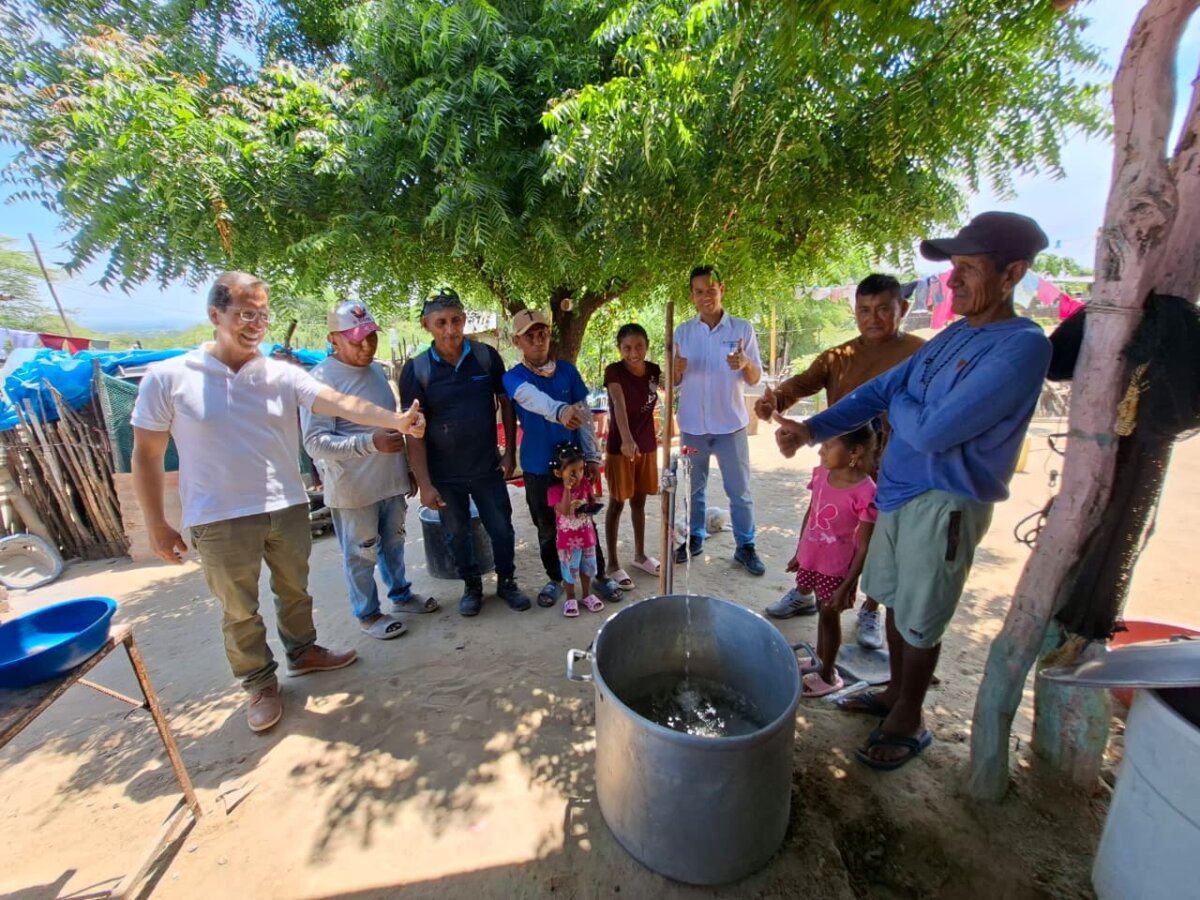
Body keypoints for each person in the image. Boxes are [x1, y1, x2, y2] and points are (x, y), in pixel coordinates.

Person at [773, 211, 1052, 770]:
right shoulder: (954, 336)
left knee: (922, 617)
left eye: (969, 269)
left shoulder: (1020, 346)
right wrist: (811, 429)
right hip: (898, 495)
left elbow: (929, 429)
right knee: (898, 604)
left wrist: (895, 399)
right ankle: (893, 692)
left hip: (944, 503)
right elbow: (880, 390)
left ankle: (910, 717)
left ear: (1011, 273)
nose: (952, 281)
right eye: (954, 269)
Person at [131, 272, 426, 733]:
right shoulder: (169, 378)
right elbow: (146, 455)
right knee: (239, 610)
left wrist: (395, 420)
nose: (257, 323)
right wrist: (157, 525)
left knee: (294, 591)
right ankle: (259, 683)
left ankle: (303, 652)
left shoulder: (281, 375)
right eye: (246, 312)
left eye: (263, 314)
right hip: (218, 516)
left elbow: (340, 403)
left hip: (285, 506)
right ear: (215, 315)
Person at [760, 273, 924, 649]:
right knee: (821, 524)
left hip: (892, 471)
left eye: (884, 309)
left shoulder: (919, 355)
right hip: (837, 464)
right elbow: (802, 383)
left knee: (878, 540)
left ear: (904, 309)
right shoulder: (839, 356)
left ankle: (871, 606)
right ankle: (804, 589)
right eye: (864, 310)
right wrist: (776, 401)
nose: (873, 318)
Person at [302, 300, 439, 642]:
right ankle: (368, 613)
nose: (366, 346)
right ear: (334, 339)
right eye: (356, 340)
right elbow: (315, 443)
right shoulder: (320, 381)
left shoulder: (377, 371)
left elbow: (394, 423)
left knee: (393, 542)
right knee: (361, 553)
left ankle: (401, 595)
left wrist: (405, 467)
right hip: (354, 489)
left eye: (371, 338)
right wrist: (369, 443)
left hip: (389, 482)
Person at [399, 288, 533, 617]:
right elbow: (413, 431)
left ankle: (506, 582)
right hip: (445, 474)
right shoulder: (416, 370)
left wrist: (509, 453)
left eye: (456, 320)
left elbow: (506, 403)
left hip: (487, 467)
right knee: (456, 533)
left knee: (501, 527)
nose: (450, 329)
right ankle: (471, 586)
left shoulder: (486, 357)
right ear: (426, 324)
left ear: (464, 320)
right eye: (441, 322)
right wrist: (424, 483)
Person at [503, 309, 622, 608]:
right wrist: (560, 411)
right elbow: (533, 399)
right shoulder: (513, 378)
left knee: (584, 521)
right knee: (546, 526)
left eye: (542, 333)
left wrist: (592, 457)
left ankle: (597, 576)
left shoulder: (568, 371)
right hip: (536, 467)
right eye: (529, 336)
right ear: (517, 341)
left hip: (575, 468)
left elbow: (582, 416)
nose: (537, 340)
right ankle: (556, 578)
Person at [673, 265, 765, 575]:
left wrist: (745, 362)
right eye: (699, 292)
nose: (705, 297)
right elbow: (671, 382)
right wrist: (677, 369)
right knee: (694, 490)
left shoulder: (742, 329)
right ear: (692, 296)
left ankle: (745, 546)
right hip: (692, 428)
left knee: (739, 491)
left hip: (731, 427)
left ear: (721, 289)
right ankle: (694, 538)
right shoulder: (682, 332)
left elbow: (754, 379)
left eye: (710, 290)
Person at [780, 427, 878, 698]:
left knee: (829, 616)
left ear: (854, 452)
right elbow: (812, 511)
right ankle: (819, 659)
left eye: (827, 446)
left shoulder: (866, 492)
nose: (820, 451)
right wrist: (800, 552)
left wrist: (847, 584)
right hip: (814, 558)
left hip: (837, 568)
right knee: (822, 614)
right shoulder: (822, 475)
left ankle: (826, 674)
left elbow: (865, 545)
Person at [603, 323, 661, 587]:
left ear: (647, 345)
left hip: (647, 445)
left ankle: (639, 555)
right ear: (620, 349)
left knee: (640, 501)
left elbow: (673, 385)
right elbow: (618, 403)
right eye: (627, 347)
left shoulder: (654, 371)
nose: (633, 352)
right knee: (617, 503)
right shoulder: (614, 371)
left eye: (638, 346)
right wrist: (626, 439)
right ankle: (612, 563)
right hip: (620, 447)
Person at [548, 442, 605, 617]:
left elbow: (591, 500)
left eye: (581, 469)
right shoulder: (554, 491)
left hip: (586, 536)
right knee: (569, 570)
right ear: (559, 473)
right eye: (573, 472)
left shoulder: (585, 485)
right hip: (567, 542)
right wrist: (567, 489)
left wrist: (592, 502)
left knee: (587, 568)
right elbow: (564, 510)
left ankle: (587, 594)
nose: (578, 475)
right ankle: (570, 597)